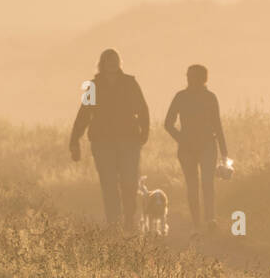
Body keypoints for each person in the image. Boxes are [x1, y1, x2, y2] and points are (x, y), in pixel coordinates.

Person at [69, 49, 150, 231]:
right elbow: (84, 114)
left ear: (119, 63)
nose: (112, 64)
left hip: (129, 139)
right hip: (102, 142)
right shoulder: (93, 86)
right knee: (108, 183)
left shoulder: (130, 83)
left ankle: (129, 218)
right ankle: (114, 222)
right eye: (108, 61)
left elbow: (142, 109)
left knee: (129, 182)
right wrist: (75, 140)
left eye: (115, 61)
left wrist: (144, 133)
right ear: (102, 64)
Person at [164, 64, 229, 232]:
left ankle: (209, 220)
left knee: (206, 183)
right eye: (188, 76)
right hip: (192, 148)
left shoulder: (208, 97)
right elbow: (168, 123)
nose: (189, 80)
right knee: (194, 185)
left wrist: (224, 153)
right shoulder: (182, 97)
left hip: (205, 145)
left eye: (193, 77)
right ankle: (198, 223)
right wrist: (181, 139)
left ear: (203, 79)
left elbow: (217, 125)